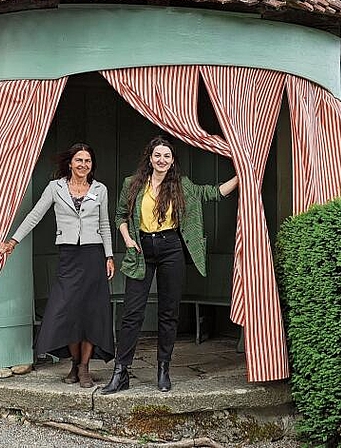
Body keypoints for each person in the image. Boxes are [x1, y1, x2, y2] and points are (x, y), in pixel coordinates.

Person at [101, 136, 238, 394]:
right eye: (157, 155)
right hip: (141, 249)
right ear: (150, 158)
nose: (162, 160)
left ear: (172, 160)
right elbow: (120, 215)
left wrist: (242, 175)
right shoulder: (131, 184)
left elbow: (212, 193)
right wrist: (128, 239)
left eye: (167, 156)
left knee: (168, 312)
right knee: (132, 313)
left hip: (171, 247)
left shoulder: (182, 185)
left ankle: (163, 368)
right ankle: (121, 372)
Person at [0, 143, 115, 388]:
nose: (83, 165)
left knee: (92, 312)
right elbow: (35, 215)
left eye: (88, 161)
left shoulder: (100, 189)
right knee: (68, 310)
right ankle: (74, 362)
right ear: (70, 163)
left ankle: (84, 368)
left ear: (92, 165)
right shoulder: (56, 188)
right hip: (69, 255)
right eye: (79, 160)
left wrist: (109, 256)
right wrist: (14, 241)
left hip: (94, 255)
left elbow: (105, 224)